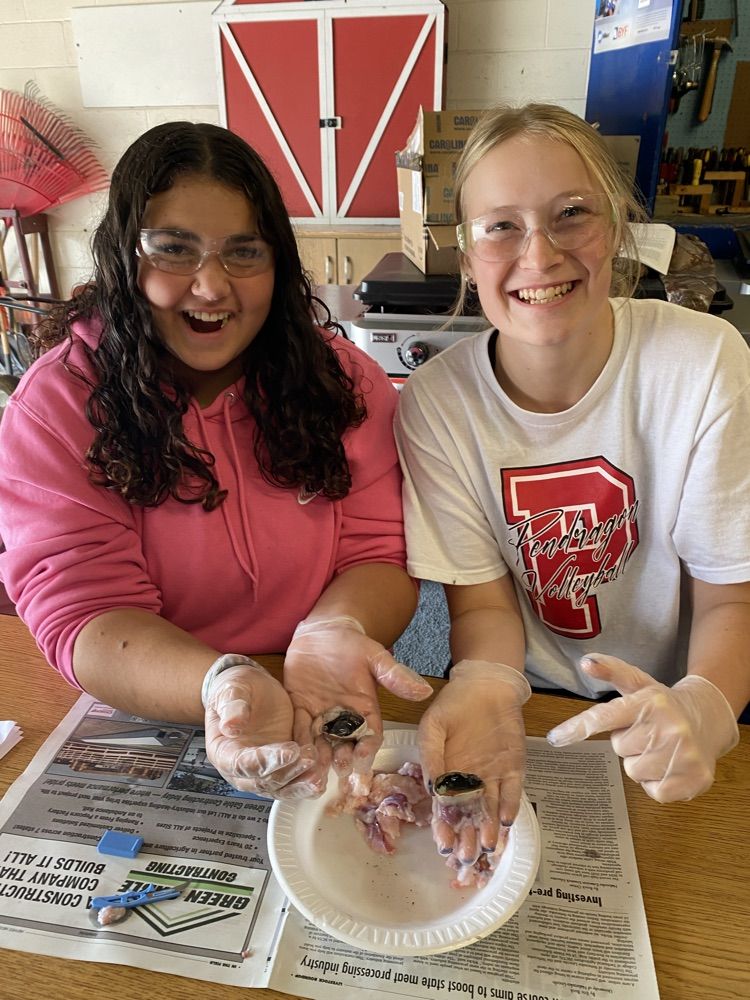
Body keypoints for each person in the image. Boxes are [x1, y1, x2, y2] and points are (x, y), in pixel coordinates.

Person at [0, 121, 432, 800]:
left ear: (278, 263)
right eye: (173, 250)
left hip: (328, 679)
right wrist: (222, 682)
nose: (211, 287)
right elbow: (84, 610)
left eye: (243, 252)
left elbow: (379, 551)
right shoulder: (57, 405)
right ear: (122, 256)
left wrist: (333, 634)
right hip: (159, 694)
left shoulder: (344, 382)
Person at [395, 103, 750, 866]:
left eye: (571, 214)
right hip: (542, 703)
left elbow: (731, 595)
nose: (540, 253)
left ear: (618, 227)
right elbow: (485, 602)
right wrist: (485, 685)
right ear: (467, 257)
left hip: (684, 689)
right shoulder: (435, 403)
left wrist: (706, 708)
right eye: (501, 226)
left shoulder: (704, 362)